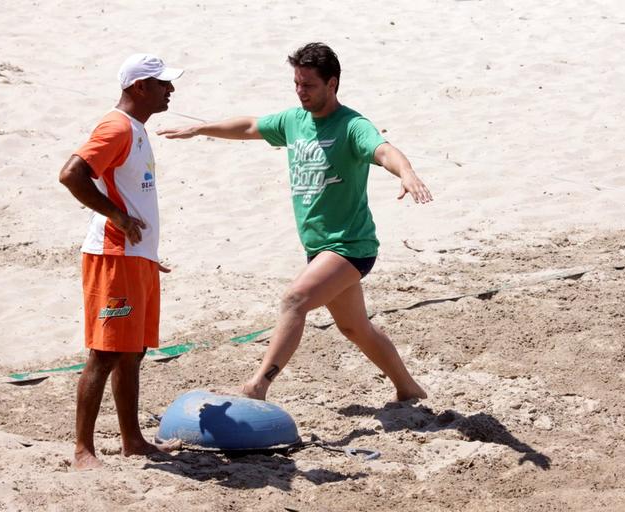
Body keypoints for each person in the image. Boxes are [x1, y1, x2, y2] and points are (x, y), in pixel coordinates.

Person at [158, 42, 432, 402]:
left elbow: (383, 150)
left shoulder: (351, 125)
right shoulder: (294, 121)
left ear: (332, 84)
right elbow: (252, 126)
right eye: (297, 84)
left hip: (350, 246)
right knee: (354, 327)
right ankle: (409, 389)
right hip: (319, 248)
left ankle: (258, 386)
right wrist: (201, 129)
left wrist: (406, 172)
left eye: (309, 85)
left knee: (294, 301)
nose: (301, 92)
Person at [59, 53, 183, 470]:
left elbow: (134, 194)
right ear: (138, 87)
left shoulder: (137, 129)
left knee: (133, 351)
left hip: (135, 257)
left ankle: (132, 440)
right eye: (162, 83)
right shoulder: (115, 126)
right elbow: (71, 174)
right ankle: (82, 450)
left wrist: (147, 254)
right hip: (112, 255)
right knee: (106, 352)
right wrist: (116, 217)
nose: (171, 89)